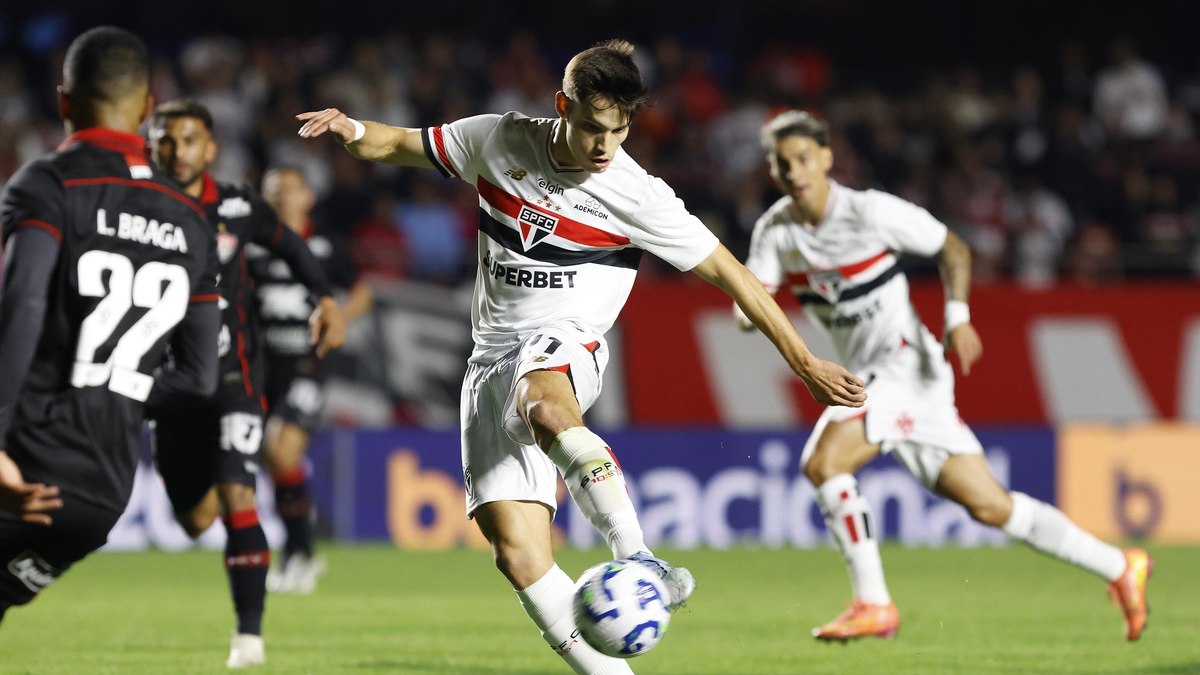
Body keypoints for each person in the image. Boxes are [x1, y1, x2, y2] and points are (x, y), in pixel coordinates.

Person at [297, 40, 865, 674]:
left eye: (619, 130)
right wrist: (349, 129)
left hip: (567, 345)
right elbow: (396, 143)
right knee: (518, 555)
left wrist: (805, 362)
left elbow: (735, 276)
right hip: (487, 361)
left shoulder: (637, 194)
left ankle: (638, 555)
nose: (604, 145)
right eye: (593, 126)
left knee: (543, 399)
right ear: (562, 106)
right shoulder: (499, 139)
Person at [737, 110, 1152, 643]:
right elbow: (756, 302)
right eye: (782, 163)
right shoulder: (777, 229)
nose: (794, 171)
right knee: (989, 504)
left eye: (802, 159)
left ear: (825, 158)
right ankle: (1120, 566)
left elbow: (951, 247)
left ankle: (874, 602)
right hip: (883, 379)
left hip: (907, 365)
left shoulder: (870, 212)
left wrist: (958, 317)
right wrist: (747, 312)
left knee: (823, 463)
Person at [0, 26, 219, 622]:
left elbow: (21, 306)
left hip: (23, 459)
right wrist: (116, 380)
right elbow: (199, 380)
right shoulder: (192, 223)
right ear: (147, 109)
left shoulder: (48, 185)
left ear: (64, 101)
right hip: (100, 494)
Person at [147, 99, 347, 667]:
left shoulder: (236, 204)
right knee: (195, 519)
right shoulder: (133, 206)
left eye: (189, 141)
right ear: (152, 145)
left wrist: (327, 300)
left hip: (234, 379)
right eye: (166, 140)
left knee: (239, 493)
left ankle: (249, 641)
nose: (177, 151)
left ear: (210, 148)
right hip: (167, 387)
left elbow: (292, 244)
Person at [250, 165, 372, 594]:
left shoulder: (324, 247)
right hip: (259, 369)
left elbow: (361, 292)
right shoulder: (252, 247)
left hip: (306, 367)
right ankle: (301, 551)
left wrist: (336, 317)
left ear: (308, 197)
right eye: (274, 191)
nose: (284, 197)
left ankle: (299, 551)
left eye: (291, 189)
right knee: (272, 460)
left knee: (280, 451)